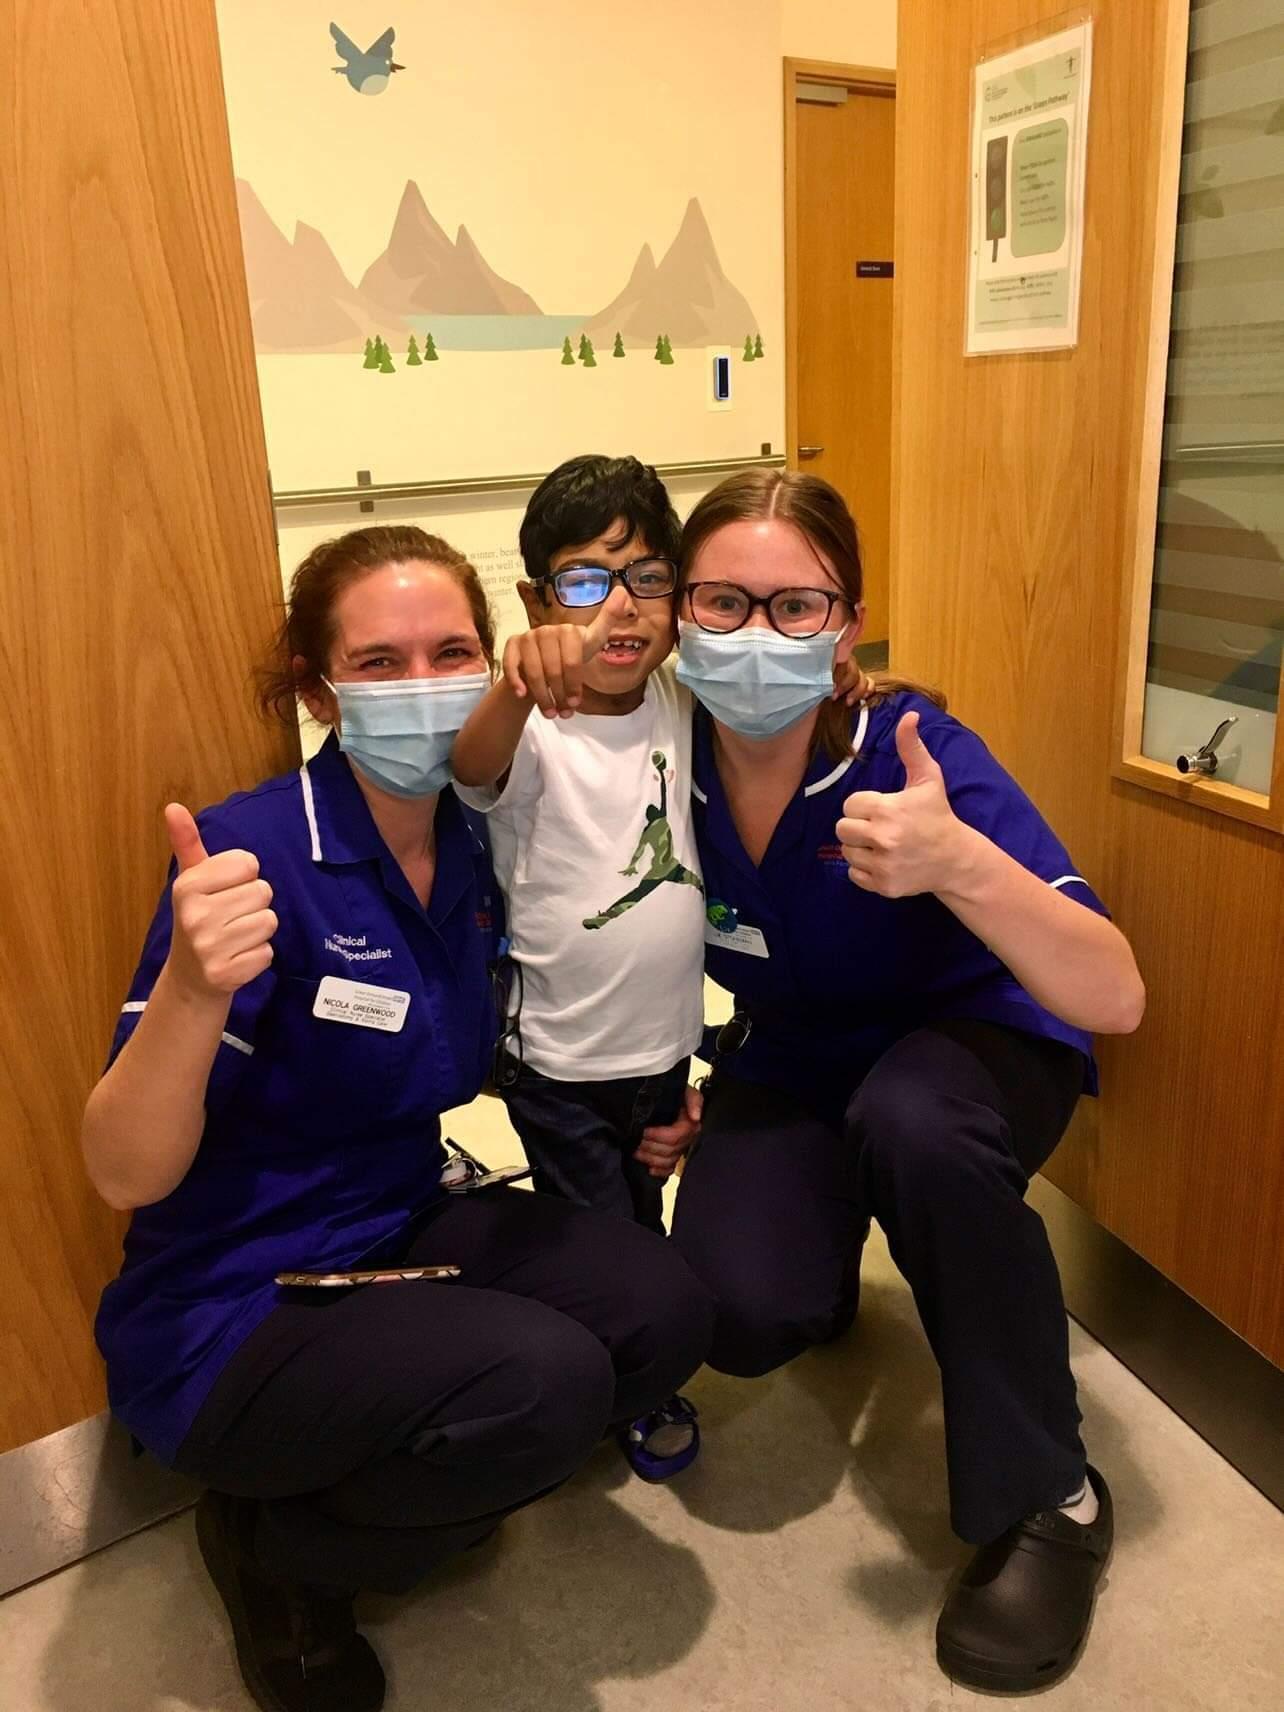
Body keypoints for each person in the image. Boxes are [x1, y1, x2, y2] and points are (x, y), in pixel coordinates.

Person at [82, 524, 712, 1712]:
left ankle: (377, 1455)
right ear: (320, 690)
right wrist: (191, 988)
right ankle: (281, 1555)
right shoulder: (256, 851)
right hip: (236, 1298)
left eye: (451, 650)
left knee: (664, 1302)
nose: (421, 683)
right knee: (547, 1385)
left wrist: (662, 1083)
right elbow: (121, 1168)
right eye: (377, 663)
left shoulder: (472, 842)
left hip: (397, 1221)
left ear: (492, 662)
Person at [642, 470, 1145, 1694]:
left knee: (914, 1126)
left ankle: (1054, 1497)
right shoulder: (655, 762)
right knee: (742, 1307)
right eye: (723, 600)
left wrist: (963, 862)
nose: (756, 634)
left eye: (796, 606)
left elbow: (1115, 992)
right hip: (798, 1053)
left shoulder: (915, 754)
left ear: (847, 622)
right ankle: (828, 1244)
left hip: (969, 1047)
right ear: (679, 614)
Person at [451, 455, 710, 1480]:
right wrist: (514, 680)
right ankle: (627, 1384)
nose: (624, 610)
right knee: (599, 1231)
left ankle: (627, 1348)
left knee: (640, 1216)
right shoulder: (528, 728)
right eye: (587, 581)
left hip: (661, 1048)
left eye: (648, 577)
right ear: (537, 599)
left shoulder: (682, 708)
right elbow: (470, 767)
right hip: (557, 1059)